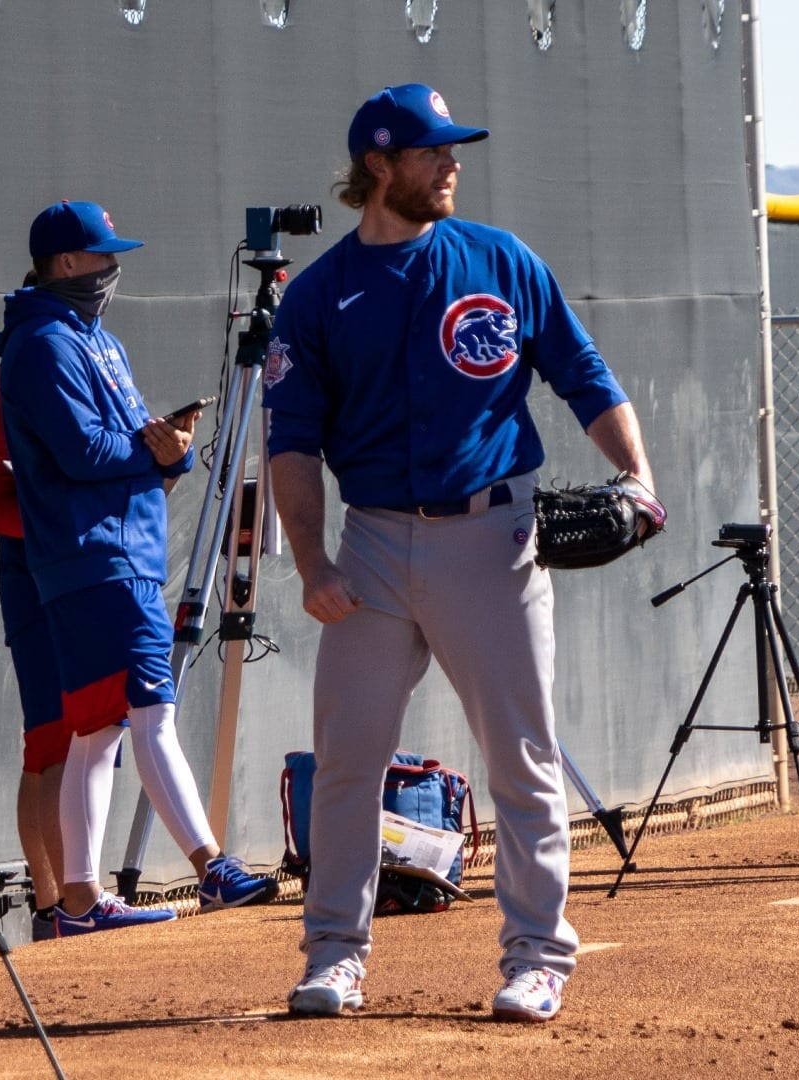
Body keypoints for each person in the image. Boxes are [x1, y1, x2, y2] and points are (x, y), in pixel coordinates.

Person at [264, 83, 663, 1023]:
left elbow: (584, 377)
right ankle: (334, 955)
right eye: (433, 150)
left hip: (492, 535)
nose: (452, 163)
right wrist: (312, 561)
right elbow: (291, 445)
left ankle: (536, 957)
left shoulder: (499, 259)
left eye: (454, 149)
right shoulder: (320, 295)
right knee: (348, 759)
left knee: (521, 759)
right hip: (369, 543)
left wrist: (639, 475)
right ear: (378, 166)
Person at [0, 201, 276, 938]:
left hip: (112, 555)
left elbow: (129, 443)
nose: (113, 268)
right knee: (150, 713)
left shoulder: (95, 341)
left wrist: (172, 451)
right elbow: (84, 451)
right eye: (100, 256)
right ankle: (211, 865)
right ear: (65, 264)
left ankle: (82, 901)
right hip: (100, 558)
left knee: (99, 733)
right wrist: (158, 453)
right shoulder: (43, 344)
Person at [0, 274, 72, 939]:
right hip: (39, 572)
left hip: (62, 566)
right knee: (53, 739)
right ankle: (63, 901)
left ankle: (58, 902)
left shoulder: (66, 373)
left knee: (51, 742)